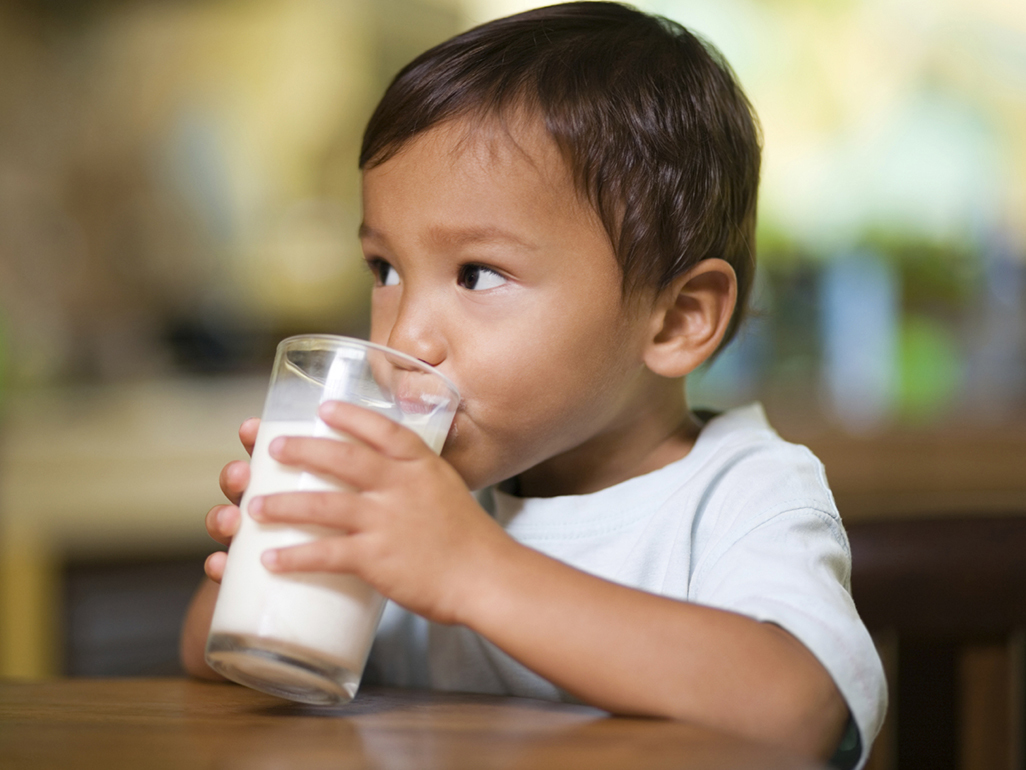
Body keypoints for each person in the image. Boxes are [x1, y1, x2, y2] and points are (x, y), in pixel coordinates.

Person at [180, 3, 886, 767]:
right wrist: (278, 553)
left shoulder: (738, 495)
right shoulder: (423, 497)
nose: (405, 335)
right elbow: (210, 662)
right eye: (384, 269)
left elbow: (797, 711)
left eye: (477, 274)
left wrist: (469, 567)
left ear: (676, 320)